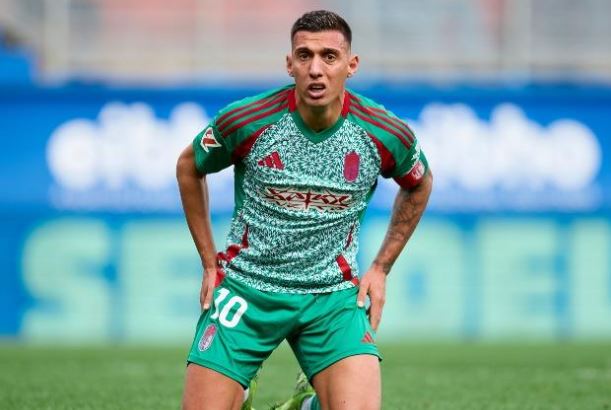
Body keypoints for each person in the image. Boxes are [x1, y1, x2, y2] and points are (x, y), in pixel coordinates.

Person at [177, 10, 433, 410]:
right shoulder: (248, 121)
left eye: (329, 56)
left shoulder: (382, 133)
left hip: (330, 298)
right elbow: (189, 166)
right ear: (289, 64)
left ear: (351, 65)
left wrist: (381, 268)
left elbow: (419, 182)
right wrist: (210, 263)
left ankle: (307, 404)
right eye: (305, 55)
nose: (316, 69)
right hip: (247, 289)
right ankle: (241, 393)